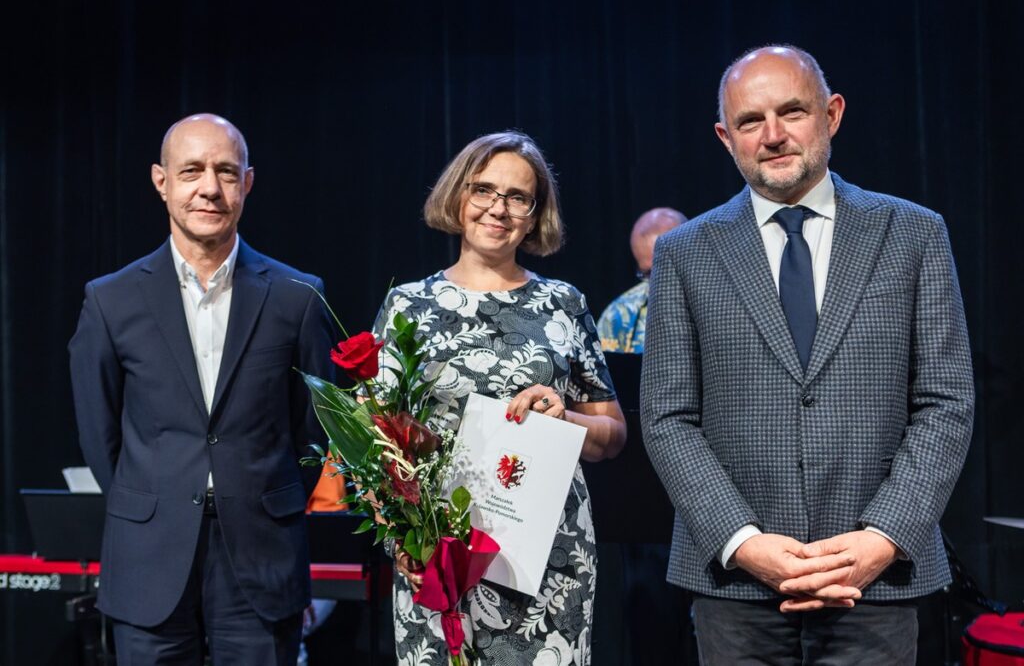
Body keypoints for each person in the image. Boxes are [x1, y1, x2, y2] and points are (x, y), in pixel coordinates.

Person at [640, 45, 974, 664]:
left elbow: (945, 403)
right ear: (725, 136)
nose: (772, 136)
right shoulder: (684, 252)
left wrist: (882, 537)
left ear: (833, 114)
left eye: (792, 112)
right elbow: (667, 418)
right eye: (749, 121)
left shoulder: (914, 233)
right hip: (734, 582)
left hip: (875, 579)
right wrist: (742, 542)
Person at [68, 113, 334, 665]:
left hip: (261, 557)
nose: (209, 188)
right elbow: (100, 434)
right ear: (162, 182)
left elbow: (314, 432)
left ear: (248, 183)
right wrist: (151, 499)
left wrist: (267, 497)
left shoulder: (298, 296)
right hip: (148, 556)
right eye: (191, 171)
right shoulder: (110, 300)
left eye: (226, 172)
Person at [373, 131, 627, 664]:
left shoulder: (564, 303)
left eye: (518, 197)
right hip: (439, 549)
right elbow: (372, 440)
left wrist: (567, 419)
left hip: (551, 559)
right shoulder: (408, 305)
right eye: (484, 190)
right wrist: (399, 533)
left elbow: (613, 435)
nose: (498, 208)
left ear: (535, 215)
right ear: (458, 197)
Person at [597, 207, 686, 353]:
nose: (659, 281)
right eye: (648, 273)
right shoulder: (617, 316)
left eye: (667, 268)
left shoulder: (723, 300)